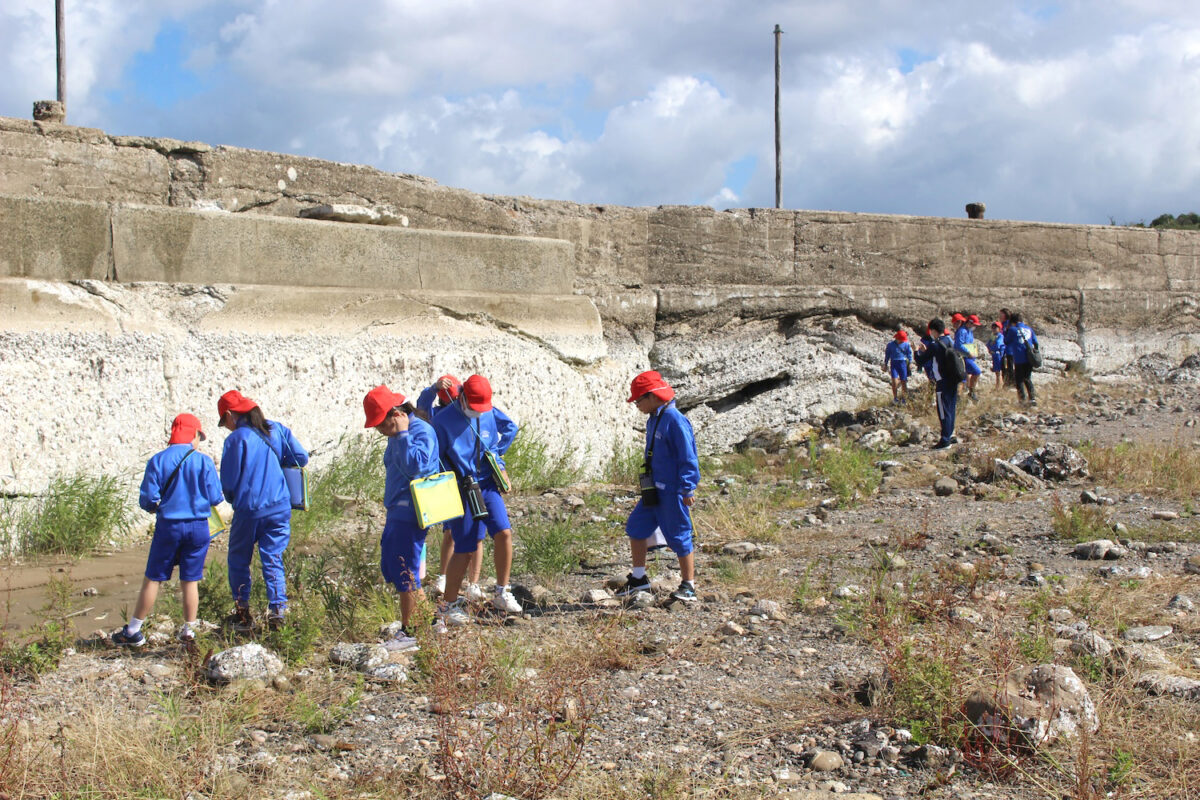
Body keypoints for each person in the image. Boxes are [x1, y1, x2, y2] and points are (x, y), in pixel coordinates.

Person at [113, 414, 224, 647]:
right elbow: (216, 497)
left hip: (168, 526)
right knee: (190, 580)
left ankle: (133, 630)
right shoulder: (203, 462)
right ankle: (189, 632)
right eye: (199, 436)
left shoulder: (158, 460)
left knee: (153, 579)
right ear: (193, 435)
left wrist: (160, 507)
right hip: (198, 527)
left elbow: (147, 500)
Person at [217, 390, 309, 632]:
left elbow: (228, 481)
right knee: (272, 557)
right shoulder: (276, 429)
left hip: (249, 508)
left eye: (223, 422)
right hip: (280, 506)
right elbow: (301, 456)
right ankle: (278, 611)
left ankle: (243, 615)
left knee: (238, 560)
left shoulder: (236, 439)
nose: (225, 427)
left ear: (230, 415)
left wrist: (232, 497)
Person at [432, 374, 521, 625]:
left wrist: (499, 465)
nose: (477, 411)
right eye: (473, 406)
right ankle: (447, 607)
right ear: (461, 397)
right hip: (462, 486)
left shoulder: (488, 411)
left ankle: (502, 592)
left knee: (504, 532)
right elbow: (436, 459)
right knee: (466, 548)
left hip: (487, 482)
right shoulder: (443, 421)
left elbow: (492, 445)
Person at [364, 385, 440, 652]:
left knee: (405, 568)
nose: (379, 431)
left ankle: (411, 631)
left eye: (380, 424)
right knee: (396, 566)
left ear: (395, 414)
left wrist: (404, 434)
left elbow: (418, 467)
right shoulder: (397, 434)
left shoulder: (419, 431)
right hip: (398, 510)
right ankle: (426, 622)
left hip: (412, 511)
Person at [616, 371, 701, 602]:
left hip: (672, 491)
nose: (637, 406)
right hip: (653, 489)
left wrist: (687, 487)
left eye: (638, 401)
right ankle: (639, 579)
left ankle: (688, 586)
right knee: (636, 527)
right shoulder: (654, 417)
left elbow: (688, 456)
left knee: (680, 535)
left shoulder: (674, 419)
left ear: (652, 396)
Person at [416, 375, 484, 602]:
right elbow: (422, 406)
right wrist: (433, 388)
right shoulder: (437, 415)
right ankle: (444, 576)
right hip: (447, 483)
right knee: (450, 533)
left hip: (468, 481)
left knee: (474, 534)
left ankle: (471, 581)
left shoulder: (467, 415)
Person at [914, 319, 958, 450]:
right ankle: (950, 435)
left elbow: (920, 360)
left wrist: (917, 351)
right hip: (953, 379)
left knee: (943, 411)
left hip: (942, 381)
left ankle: (945, 441)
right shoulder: (950, 341)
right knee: (950, 408)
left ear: (933, 330)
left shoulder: (935, 345)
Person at [1003, 311, 1040, 407]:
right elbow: (1036, 342)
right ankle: (1032, 398)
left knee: (1019, 379)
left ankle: (1022, 400)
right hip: (1029, 357)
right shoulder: (1029, 329)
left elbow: (1006, 341)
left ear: (1012, 321)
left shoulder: (1012, 330)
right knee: (1027, 377)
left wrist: (1006, 330)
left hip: (1019, 357)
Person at [952, 313, 983, 402]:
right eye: (974, 325)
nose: (975, 327)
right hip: (963, 357)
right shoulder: (962, 331)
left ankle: (966, 394)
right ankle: (969, 393)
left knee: (964, 378)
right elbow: (958, 345)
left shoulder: (970, 332)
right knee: (976, 372)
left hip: (969, 357)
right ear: (969, 323)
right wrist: (968, 352)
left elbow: (970, 343)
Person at [883, 330, 914, 404]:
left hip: (903, 363)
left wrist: (910, 363)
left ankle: (904, 399)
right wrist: (885, 364)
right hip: (894, 363)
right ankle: (895, 398)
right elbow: (887, 355)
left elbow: (909, 354)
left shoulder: (906, 344)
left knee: (904, 381)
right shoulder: (890, 345)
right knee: (894, 381)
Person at [987, 321, 1006, 390]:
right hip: (994, 354)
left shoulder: (1000, 336)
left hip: (998, 354)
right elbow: (988, 344)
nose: (994, 329)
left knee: (998, 372)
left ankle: (999, 387)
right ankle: (998, 386)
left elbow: (998, 344)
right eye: (993, 327)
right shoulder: (993, 336)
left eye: (996, 327)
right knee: (996, 371)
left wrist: (992, 346)